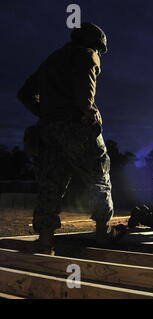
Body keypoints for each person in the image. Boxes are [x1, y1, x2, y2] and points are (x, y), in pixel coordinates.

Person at [17, 23, 120, 254]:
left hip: (49, 131)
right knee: (99, 176)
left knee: (50, 184)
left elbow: (24, 93)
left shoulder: (51, 61)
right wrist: (87, 110)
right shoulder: (87, 53)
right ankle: (103, 234)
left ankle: (45, 240)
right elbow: (85, 91)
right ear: (96, 43)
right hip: (77, 126)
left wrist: (45, 113)